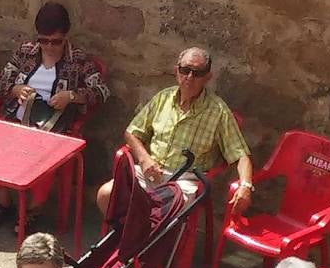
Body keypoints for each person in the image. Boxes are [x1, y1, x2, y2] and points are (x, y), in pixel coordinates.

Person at [0, 1, 109, 230]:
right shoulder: (26, 52)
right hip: (18, 119)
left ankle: (33, 209)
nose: (49, 47)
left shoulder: (77, 60)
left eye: (55, 41)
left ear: (65, 36)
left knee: (45, 156)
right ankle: (3, 203)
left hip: (52, 127)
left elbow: (101, 92)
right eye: (44, 41)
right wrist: (15, 90)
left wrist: (71, 96)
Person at [97, 46, 253, 216]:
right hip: (150, 172)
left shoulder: (218, 111)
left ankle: (139, 238)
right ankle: (131, 237)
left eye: (197, 73)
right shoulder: (163, 98)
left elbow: (240, 155)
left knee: (161, 212)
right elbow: (132, 132)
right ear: (177, 71)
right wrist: (144, 159)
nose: (190, 77)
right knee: (106, 194)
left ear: (208, 77)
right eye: (185, 70)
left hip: (183, 182)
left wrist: (245, 186)